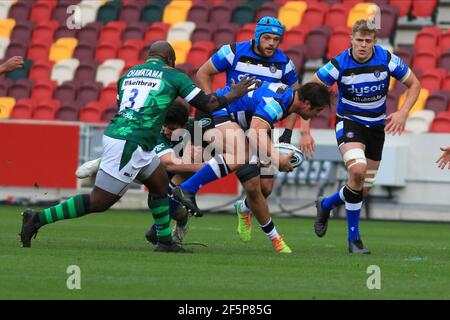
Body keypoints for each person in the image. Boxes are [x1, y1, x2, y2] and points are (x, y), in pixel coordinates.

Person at [19, 41, 256, 252]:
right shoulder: (174, 76)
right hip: (131, 142)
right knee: (99, 201)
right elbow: (208, 103)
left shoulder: (128, 75)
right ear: (171, 60)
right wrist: (234, 93)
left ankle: (164, 240)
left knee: (160, 185)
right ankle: (37, 218)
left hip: (130, 137)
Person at [195, 16, 315, 243]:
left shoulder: (285, 64)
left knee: (265, 189)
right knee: (251, 183)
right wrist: (213, 105)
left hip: (263, 125)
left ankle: (243, 208)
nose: (271, 43)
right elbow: (203, 73)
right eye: (267, 38)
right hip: (232, 122)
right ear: (257, 36)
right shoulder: (232, 52)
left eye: (276, 39)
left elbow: (298, 99)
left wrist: (289, 134)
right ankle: (274, 238)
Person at [172, 81, 331, 253]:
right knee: (240, 156)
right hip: (215, 111)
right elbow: (256, 132)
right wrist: (278, 159)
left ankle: (161, 226)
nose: (317, 115)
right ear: (307, 104)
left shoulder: (285, 97)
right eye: (318, 110)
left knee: (258, 185)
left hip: (227, 117)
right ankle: (187, 190)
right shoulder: (277, 104)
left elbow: (256, 128)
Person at [312, 20, 421, 254]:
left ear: (374, 42)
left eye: (368, 41)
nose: (363, 45)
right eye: (359, 40)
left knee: (361, 189)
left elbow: (414, 84)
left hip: (376, 128)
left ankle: (327, 203)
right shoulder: (338, 64)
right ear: (351, 39)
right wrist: (303, 129)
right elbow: (311, 91)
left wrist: (402, 113)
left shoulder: (386, 59)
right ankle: (354, 240)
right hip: (349, 123)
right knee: (358, 171)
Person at [76, 103, 203, 244]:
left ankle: (180, 225)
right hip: (150, 166)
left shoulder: (196, 126)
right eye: (164, 126)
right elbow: (168, 164)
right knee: (158, 199)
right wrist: (202, 167)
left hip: (173, 171)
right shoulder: (156, 131)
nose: (166, 131)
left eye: (172, 129)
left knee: (177, 210)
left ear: (185, 126)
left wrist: (200, 151)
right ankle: (106, 161)